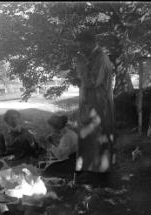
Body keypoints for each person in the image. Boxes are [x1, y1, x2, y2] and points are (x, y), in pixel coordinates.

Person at [73, 30, 115, 187]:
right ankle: (91, 174)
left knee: (98, 139)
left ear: (90, 43)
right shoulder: (91, 57)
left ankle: (99, 177)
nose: (80, 49)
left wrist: (81, 66)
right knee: (89, 140)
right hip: (91, 105)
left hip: (99, 107)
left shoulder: (100, 58)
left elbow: (92, 82)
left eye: (81, 45)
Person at [42, 114, 78, 178]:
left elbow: (60, 156)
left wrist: (50, 144)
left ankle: (70, 176)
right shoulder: (70, 133)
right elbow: (64, 150)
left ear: (54, 128)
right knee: (50, 166)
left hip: (75, 163)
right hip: (76, 158)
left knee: (47, 172)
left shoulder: (66, 137)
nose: (50, 130)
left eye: (50, 128)